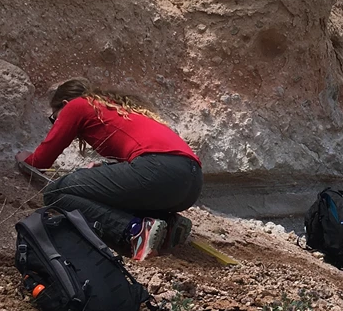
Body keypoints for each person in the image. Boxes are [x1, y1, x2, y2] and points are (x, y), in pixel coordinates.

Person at [17, 79, 203, 262]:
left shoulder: (77, 105)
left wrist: (24, 158)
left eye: (54, 117)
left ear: (65, 104)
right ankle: (169, 226)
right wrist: (109, 169)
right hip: (191, 182)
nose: (55, 121)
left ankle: (134, 230)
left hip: (157, 171)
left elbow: (41, 161)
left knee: (55, 192)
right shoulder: (120, 110)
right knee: (107, 194)